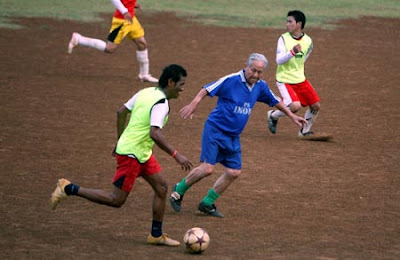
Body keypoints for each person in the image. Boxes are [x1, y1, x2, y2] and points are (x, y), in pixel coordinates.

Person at [50, 64, 193, 246]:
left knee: (162, 188)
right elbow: (155, 133)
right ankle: (67, 188)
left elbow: (121, 112)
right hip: (131, 154)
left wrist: (120, 139)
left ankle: (155, 235)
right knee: (116, 200)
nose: (183, 89)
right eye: (181, 84)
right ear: (171, 82)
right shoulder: (161, 103)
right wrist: (176, 154)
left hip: (140, 152)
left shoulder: (145, 92)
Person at [169, 53, 306, 218]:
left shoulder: (260, 86)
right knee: (207, 169)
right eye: (253, 70)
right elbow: (207, 88)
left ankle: (207, 203)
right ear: (246, 66)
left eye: (259, 72)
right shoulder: (232, 80)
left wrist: (291, 116)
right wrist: (194, 103)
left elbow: (276, 101)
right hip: (216, 130)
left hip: (233, 136)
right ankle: (178, 191)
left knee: (234, 172)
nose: (255, 75)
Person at [67, 0, 158, 83]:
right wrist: (124, 11)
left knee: (142, 43)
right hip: (122, 20)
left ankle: (144, 75)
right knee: (109, 48)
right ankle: (79, 39)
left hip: (131, 18)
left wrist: (133, 4)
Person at [267, 10, 321, 138]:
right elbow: (278, 60)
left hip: (300, 79)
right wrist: (292, 52)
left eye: (290, 21)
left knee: (315, 105)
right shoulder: (283, 39)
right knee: (295, 106)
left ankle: (304, 131)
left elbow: (305, 57)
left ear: (299, 24)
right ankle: (273, 115)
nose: (287, 24)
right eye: (287, 21)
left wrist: (298, 65)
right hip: (284, 79)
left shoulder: (308, 41)